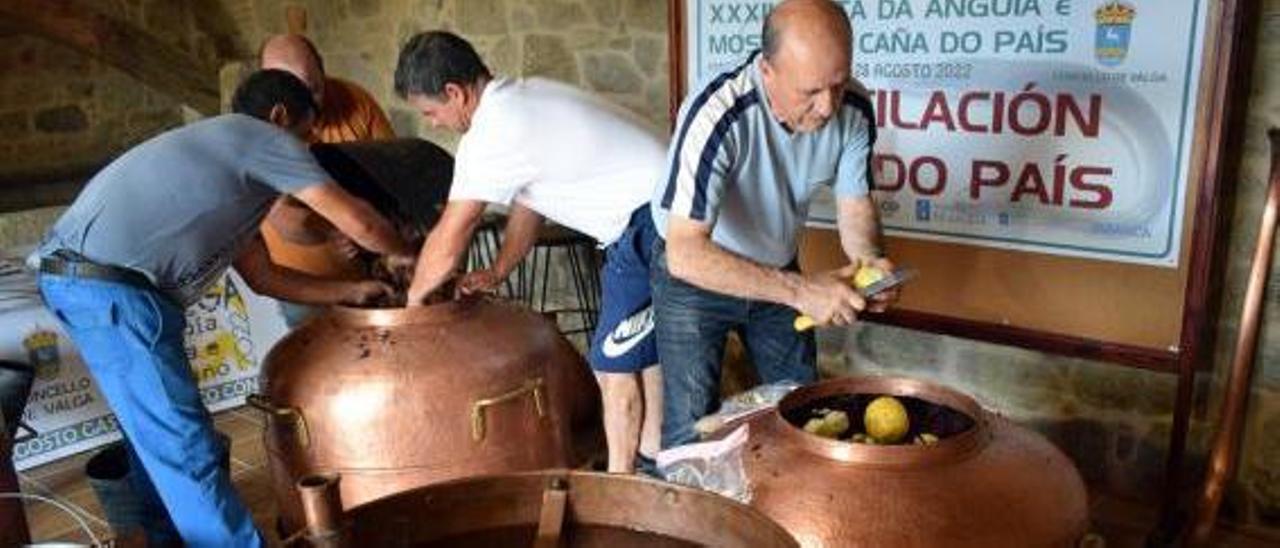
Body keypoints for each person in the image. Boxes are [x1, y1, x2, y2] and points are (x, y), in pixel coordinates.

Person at [34, 69, 414, 547]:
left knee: (158, 441)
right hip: (111, 290)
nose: (306, 151)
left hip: (90, 282)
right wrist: (409, 256)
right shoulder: (255, 136)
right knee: (185, 448)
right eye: (305, 135)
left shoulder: (226, 173)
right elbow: (359, 220)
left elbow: (264, 278)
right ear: (279, 117)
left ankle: (166, 539)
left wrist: (347, 291)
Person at [395, 31, 665, 474]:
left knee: (611, 365)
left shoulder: (492, 132)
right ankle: (655, 456)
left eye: (431, 112)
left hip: (648, 223)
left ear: (454, 93)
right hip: (662, 211)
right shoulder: (523, 98)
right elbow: (530, 198)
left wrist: (411, 307)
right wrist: (501, 267)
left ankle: (620, 487)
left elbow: (453, 231)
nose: (433, 124)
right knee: (642, 350)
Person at [652, 0, 898, 448]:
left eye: (838, 86)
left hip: (775, 261)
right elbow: (684, 251)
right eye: (810, 92)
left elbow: (856, 204)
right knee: (690, 423)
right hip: (696, 272)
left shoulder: (854, 108)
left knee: (803, 404)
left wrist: (870, 263)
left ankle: (790, 512)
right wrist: (803, 291)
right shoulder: (718, 111)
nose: (827, 107)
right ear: (767, 72)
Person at [258, 34, 399, 325]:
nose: (306, 104)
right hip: (304, 287)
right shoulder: (259, 127)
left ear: (322, 70)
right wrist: (338, 230)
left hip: (368, 274)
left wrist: (385, 241)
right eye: (292, 93)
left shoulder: (356, 102)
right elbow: (284, 220)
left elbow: (393, 179)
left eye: (314, 89)